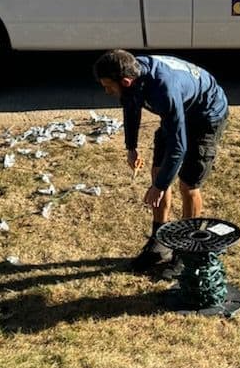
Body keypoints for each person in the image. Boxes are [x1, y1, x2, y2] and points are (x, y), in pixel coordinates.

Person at [94, 49, 229, 275]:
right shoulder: (133, 76)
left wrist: (159, 187)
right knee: (158, 171)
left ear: (125, 81)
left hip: (206, 115)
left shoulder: (163, 89)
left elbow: (179, 146)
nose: (105, 90)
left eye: (107, 85)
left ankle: (187, 248)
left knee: (188, 185)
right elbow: (131, 107)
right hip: (178, 110)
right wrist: (131, 147)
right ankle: (159, 243)